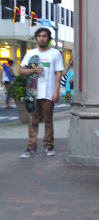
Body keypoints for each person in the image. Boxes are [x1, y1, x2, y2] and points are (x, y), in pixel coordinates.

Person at [19, 28, 64, 158]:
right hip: (33, 93)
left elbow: (58, 73)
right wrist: (32, 71)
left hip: (48, 93)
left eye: (44, 36)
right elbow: (21, 71)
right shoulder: (30, 53)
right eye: (39, 36)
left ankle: (49, 146)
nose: (41, 38)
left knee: (48, 120)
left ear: (48, 38)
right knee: (33, 121)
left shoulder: (55, 53)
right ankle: (31, 147)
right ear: (36, 38)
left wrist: (56, 91)